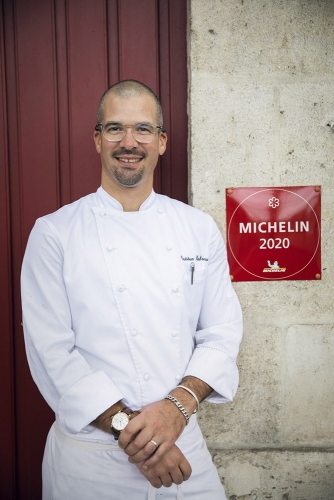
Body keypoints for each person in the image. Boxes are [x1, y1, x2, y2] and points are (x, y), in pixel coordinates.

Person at [21, 80, 243, 500]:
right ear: (97, 139)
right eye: (114, 129)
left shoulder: (197, 228)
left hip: (184, 451)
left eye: (142, 129)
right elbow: (51, 352)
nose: (129, 142)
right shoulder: (55, 234)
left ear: (161, 141)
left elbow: (222, 331)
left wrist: (176, 410)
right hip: (92, 462)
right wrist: (137, 436)